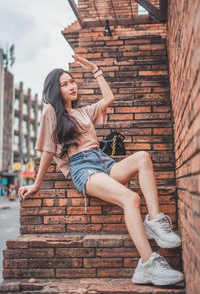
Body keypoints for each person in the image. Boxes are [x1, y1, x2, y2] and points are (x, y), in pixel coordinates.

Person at [18, 54, 184, 286]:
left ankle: (155, 220)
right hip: (83, 168)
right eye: (64, 84)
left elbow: (109, 97)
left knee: (143, 158)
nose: (71, 86)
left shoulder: (84, 112)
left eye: (72, 81)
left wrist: (96, 70)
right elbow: (47, 150)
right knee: (131, 198)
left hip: (103, 161)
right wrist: (36, 184)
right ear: (56, 90)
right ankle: (148, 264)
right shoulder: (51, 112)